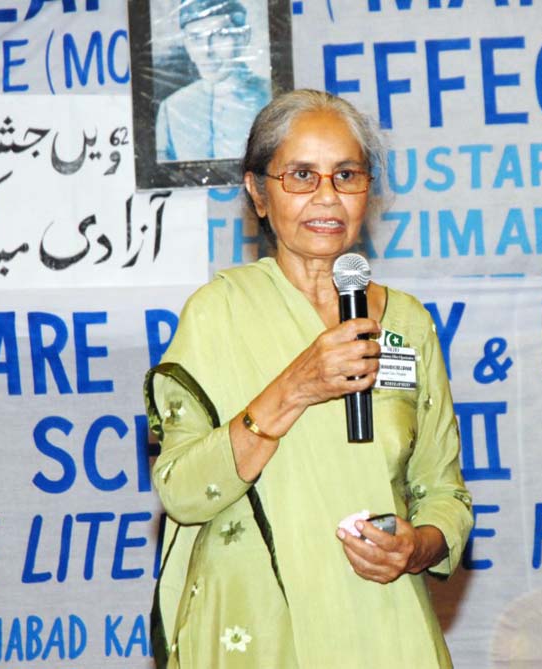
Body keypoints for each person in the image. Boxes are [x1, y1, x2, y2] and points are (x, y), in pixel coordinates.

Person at [145, 89, 472, 668]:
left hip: (382, 621)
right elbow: (182, 491)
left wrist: (416, 547)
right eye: (301, 175)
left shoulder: (406, 322)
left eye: (346, 175)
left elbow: (445, 494)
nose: (327, 196)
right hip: (260, 629)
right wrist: (296, 386)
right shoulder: (217, 314)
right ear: (258, 193)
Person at [155, 0, 270, 162]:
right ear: (186, 44)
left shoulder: (271, 98)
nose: (206, 51)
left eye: (219, 35)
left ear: (243, 37)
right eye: (196, 38)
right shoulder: (172, 108)